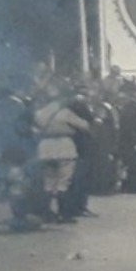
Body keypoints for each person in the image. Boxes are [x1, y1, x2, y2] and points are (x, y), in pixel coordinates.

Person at [32, 89, 91, 223]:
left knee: (48, 181)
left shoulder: (39, 114)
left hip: (45, 149)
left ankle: (47, 212)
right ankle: (63, 213)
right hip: (64, 147)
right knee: (64, 181)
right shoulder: (65, 113)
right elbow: (84, 125)